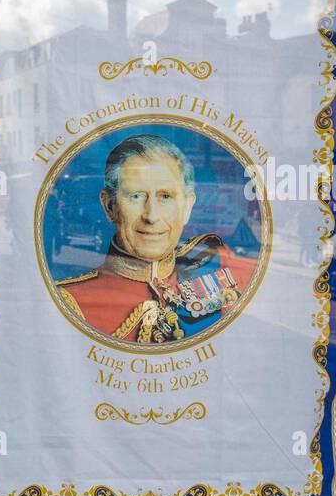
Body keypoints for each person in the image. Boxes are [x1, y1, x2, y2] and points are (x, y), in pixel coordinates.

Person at [56, 134, 256, 343]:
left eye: (166, 197)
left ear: (187, 207)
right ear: (109, 207)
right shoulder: (73, 303)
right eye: (136, 196)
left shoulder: (221, 268)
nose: (151, 216)